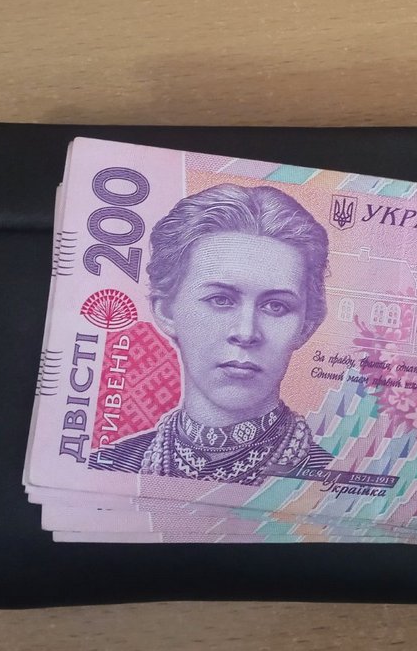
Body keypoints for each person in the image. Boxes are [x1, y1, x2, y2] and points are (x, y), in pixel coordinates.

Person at [92, 183, 334, 484]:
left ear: (307, 325)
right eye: (221, 300)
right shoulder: (106, 468)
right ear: (166, 311)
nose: (246, 333)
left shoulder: (330, 482)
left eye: (276, 306)